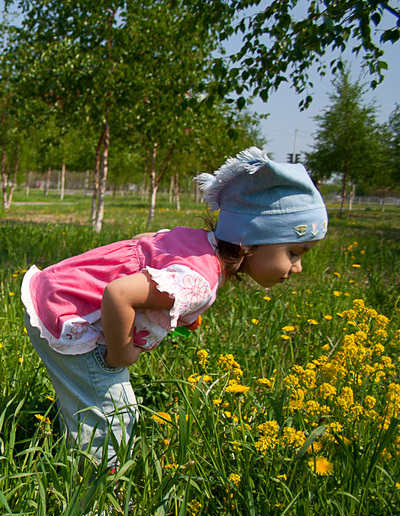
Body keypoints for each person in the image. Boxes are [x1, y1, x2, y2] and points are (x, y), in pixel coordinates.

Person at [21, 147, 328, 464]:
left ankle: (72, 458)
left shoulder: (195, 242)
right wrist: (121, 353)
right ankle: (96, 492)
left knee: (89, 403)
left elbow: (144, 240)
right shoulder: (198, 282)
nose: (298, 267)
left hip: (55, 290)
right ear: (250, 241)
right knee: (112, 416)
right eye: (294, 252)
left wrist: (174, 306)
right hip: (70, 314)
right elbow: (119, 293)